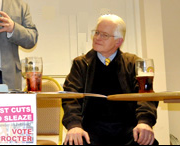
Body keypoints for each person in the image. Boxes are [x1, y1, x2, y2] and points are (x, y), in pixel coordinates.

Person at [62, 14, 159, 145]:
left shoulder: (133, 63)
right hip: (90, 130)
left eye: (104, 35)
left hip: (128, 130)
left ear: (119, 41)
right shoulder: (81, 64)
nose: (97, 38)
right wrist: (74, 125)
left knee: (147, 140)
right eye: (96, 33)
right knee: (73, 142)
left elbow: (146, 95)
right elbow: (70, 97)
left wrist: (144, 122)